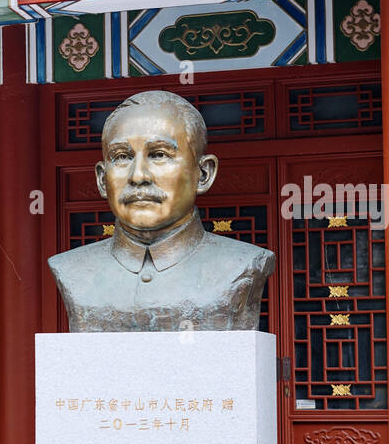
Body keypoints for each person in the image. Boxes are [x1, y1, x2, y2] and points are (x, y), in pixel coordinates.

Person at [48, 89, 275, 332]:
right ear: (103, 179)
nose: (138, 176)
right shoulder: (72, 270)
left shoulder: (244, 266)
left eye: (159, 155)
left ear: (204, 174)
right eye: (122, 156)